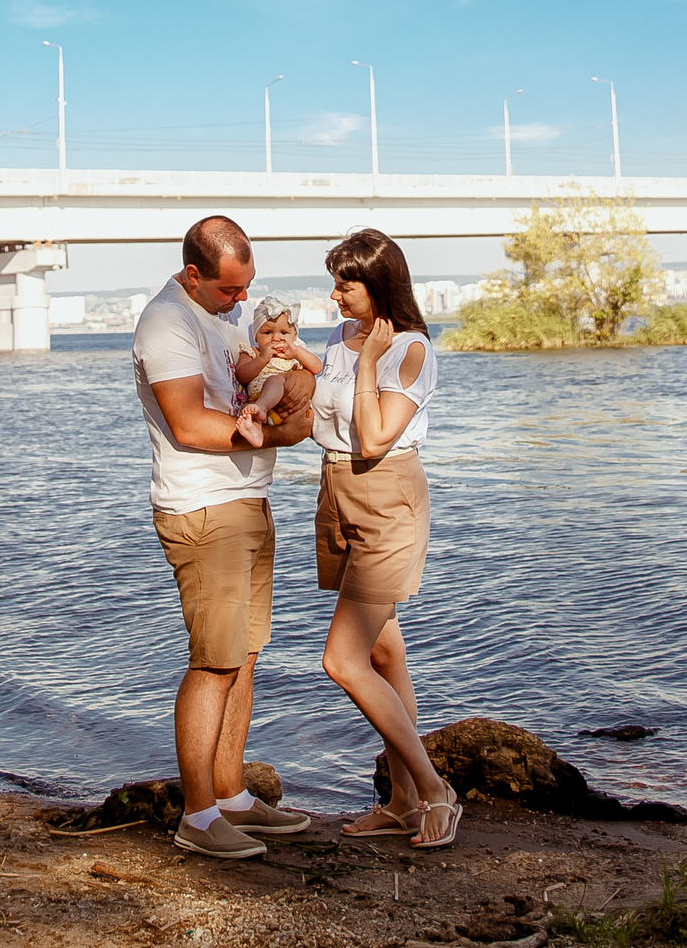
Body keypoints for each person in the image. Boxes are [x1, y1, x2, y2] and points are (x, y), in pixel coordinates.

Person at [132, 214, 321, 859]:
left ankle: (233, 795)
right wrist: (283, 434)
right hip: (203, 509)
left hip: (247, 499)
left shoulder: (218, 315)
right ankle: (197, 814)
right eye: (229, 291)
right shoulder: (167, 324)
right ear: (193, 275)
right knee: (213, 660)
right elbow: (187, 424)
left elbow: (258, 375)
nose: (242, 301)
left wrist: (289, 384)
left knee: (243, 654)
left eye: (247, 288)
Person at [310, 227, 458, 849]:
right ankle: (399, 801)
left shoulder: (410, 350)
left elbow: (373, 439)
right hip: (337, 492)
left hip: (385, 497)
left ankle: (434, 791)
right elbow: (325, 416)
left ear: (380, 283)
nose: (337, 294)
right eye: (336, 282)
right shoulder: (340, 338)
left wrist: (369, 362)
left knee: (341, 661)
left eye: (347, 283)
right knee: (383, 654)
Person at [232, 296, 318, 447]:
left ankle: (262, 412)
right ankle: (257, 432)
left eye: (284, 333)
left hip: (284, 407)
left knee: (275, 380)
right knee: (246, 411)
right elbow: (242, 375)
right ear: (256, 336)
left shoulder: (294, 354)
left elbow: (318, 367)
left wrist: (297, 353)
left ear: (294, 335)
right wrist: (262, 359)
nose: (276, 338)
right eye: (267, 333)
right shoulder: (253, 353)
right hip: (259, 403)